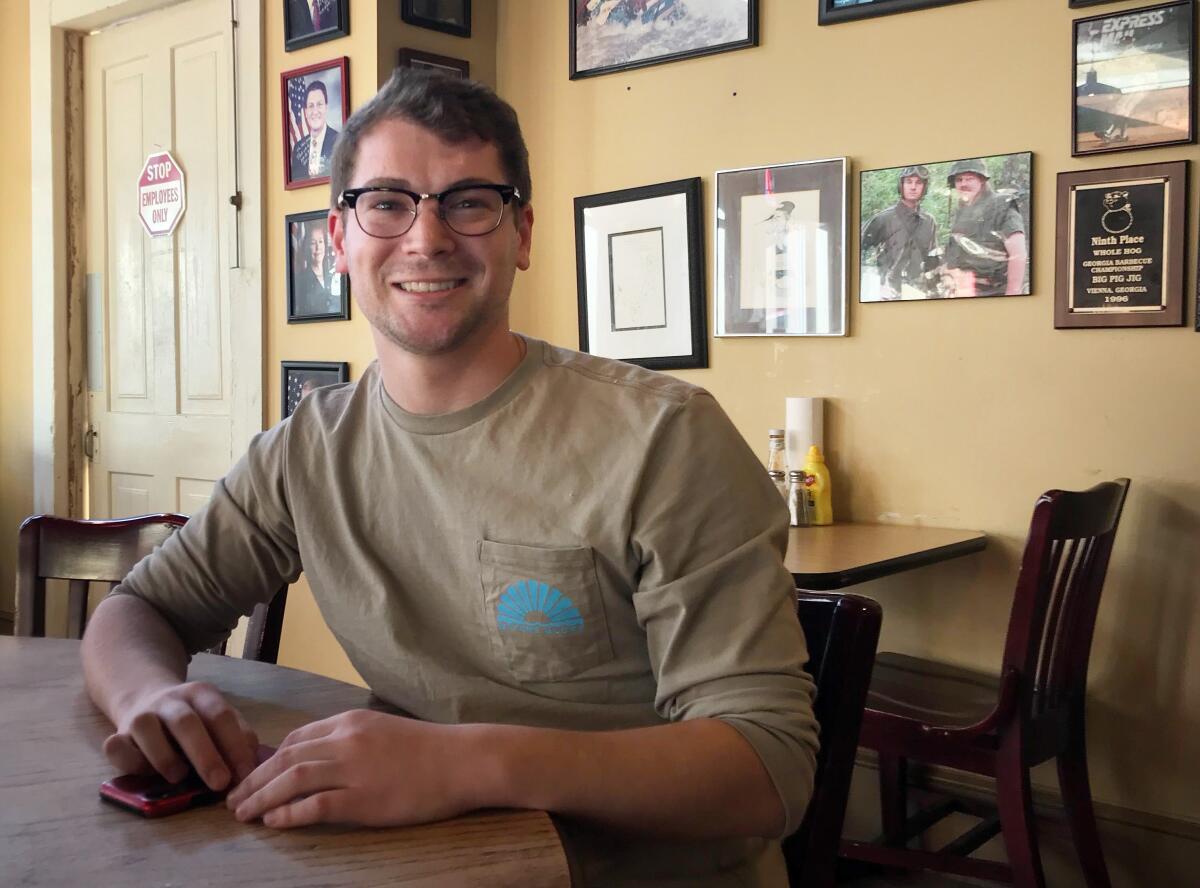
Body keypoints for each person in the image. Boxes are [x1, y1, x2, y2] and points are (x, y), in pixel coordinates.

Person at [81, 69, 817, 887]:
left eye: (468, 202)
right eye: (388, 203)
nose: (427, 239)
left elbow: (768, 765)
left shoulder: (665, 438)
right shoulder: (305, 450)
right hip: (422, 863)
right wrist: (149, 699)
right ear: (339, 240)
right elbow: (142, 608)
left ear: (522, 233)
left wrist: (464, 765)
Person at [942, 159, 1028, 298]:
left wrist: (1012, 294)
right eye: (959, 180)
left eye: (969, 179)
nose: (963, 184)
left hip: (994, 293)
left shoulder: (1001, 205)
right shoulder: (961, 213)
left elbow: (1018, 254)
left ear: (982, 180)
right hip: (962, 293)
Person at [860, 165, 939, 300]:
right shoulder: (883, 219)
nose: (913, 187)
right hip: (887, 295)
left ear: (924, 187)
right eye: (908, 182)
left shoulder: (929, 222)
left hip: (917, 294)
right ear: (901, 185)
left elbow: (933, 262)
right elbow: (856, 255)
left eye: (918, 182)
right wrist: (876, 285)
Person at [289, 80, 339, 183]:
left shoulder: (339, 142)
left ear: (326, 107)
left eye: (319, 104)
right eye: (311, 106)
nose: (315, 111)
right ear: (306, 112)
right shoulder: (298, 148)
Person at [293, 223, 336, 316]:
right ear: (307, 247)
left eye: (320, 242)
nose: (318, 248)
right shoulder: (300, 280)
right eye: (313, 243)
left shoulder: (333, 277)